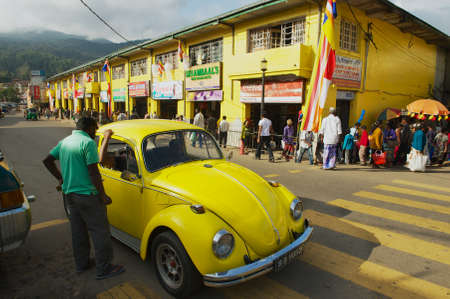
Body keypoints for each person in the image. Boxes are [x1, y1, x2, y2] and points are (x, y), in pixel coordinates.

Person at [42, 117, 125, 279]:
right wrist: (103, 195)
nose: (95, 133)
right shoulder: (87, 143)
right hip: (88, 196)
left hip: (69, 196)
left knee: (78, 231)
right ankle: (104, 268)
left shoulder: (65, 142)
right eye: (95, 129)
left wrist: (60, 178)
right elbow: (93, 171)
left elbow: (47, 161)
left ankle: (82, 264)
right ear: (89, 129)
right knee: (100, 231)